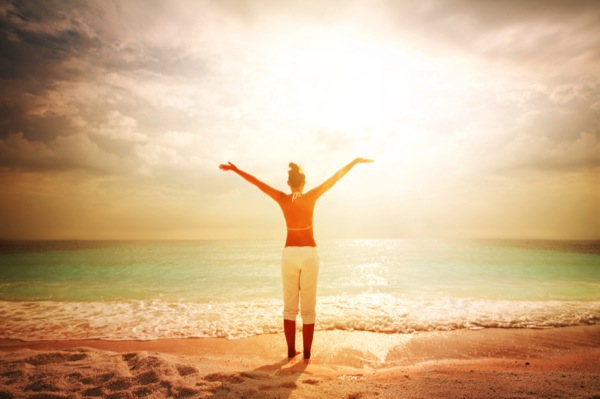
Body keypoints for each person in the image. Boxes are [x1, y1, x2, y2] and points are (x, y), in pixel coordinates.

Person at [219, 158, 373, 362]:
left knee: (289, 308)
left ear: (288, 183)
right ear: (304, 183)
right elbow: (335, 178)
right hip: (309, 253)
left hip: (290, 254)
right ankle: (307, 354)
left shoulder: (282, 198)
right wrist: (354, 162)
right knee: (308, 309)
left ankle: (291, 351)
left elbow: (257, 183)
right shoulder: (311, 197)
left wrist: (236, 169)